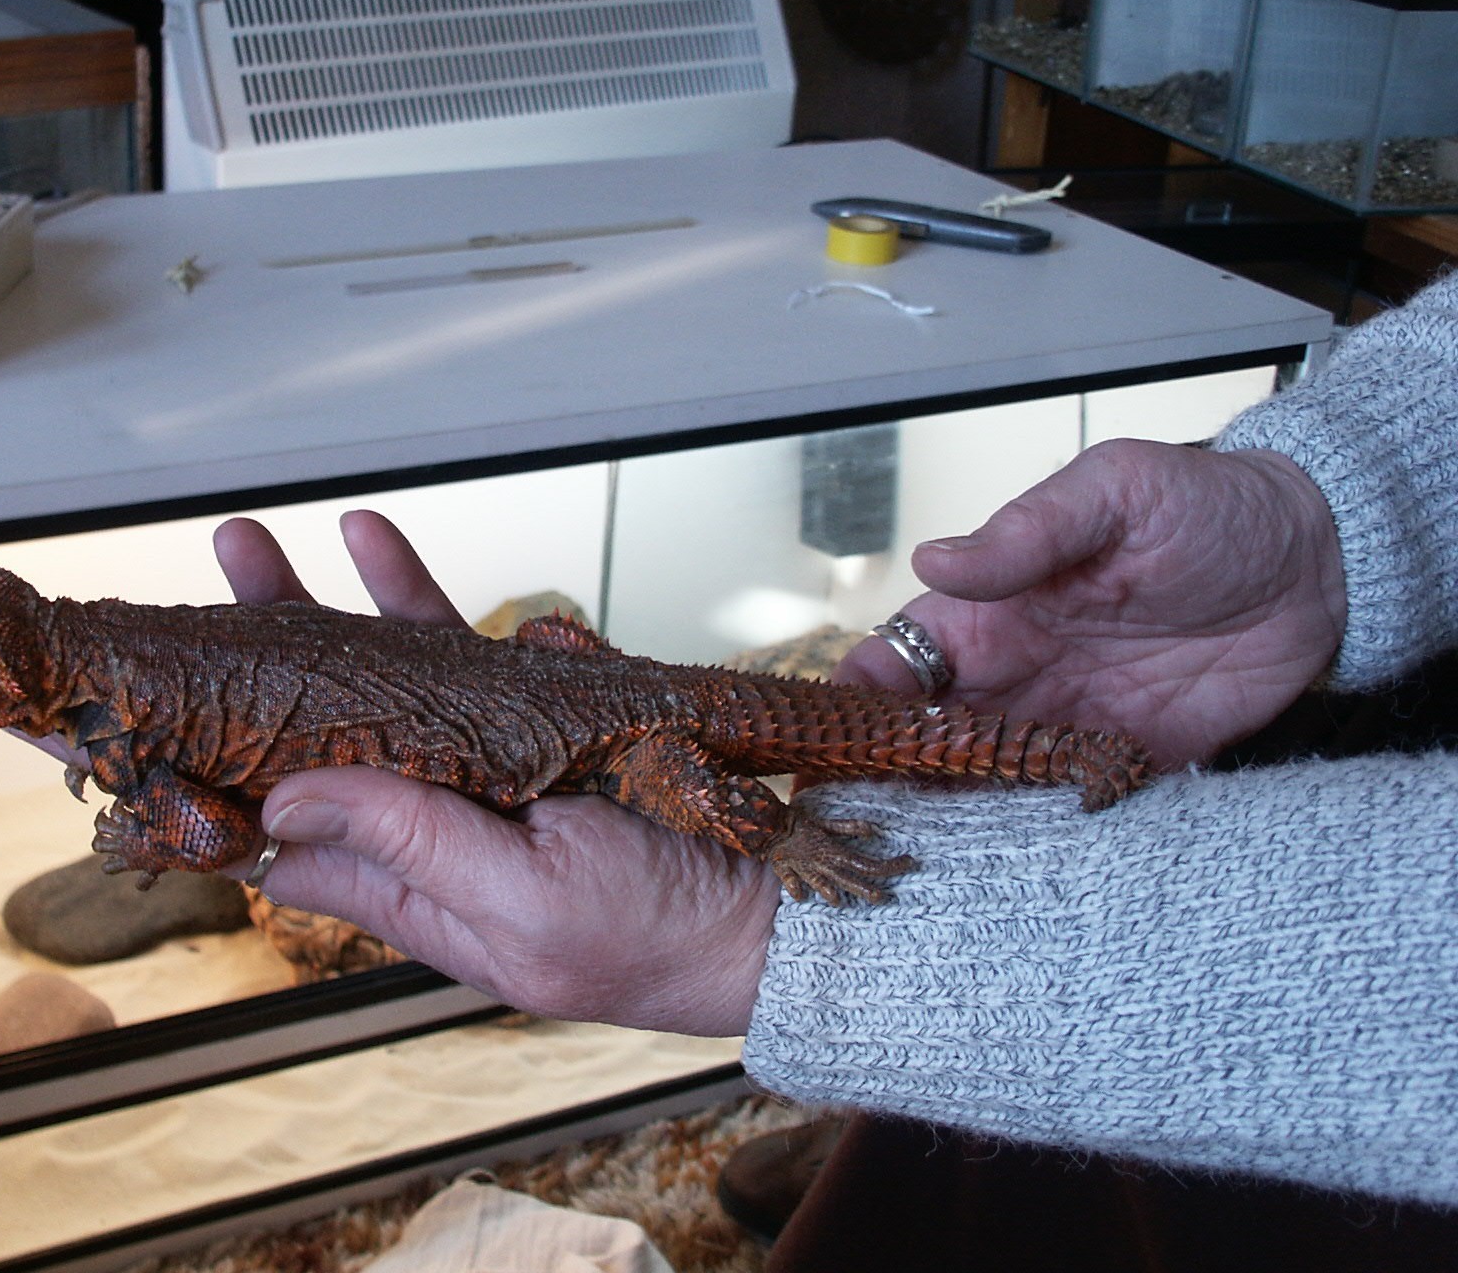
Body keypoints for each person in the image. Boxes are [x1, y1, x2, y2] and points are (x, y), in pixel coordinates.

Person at [210, 269, 1458, 1239]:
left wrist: (770, 907)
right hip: (614, 700)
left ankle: (868, 859)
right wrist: (1329, 508)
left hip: (644, 725)